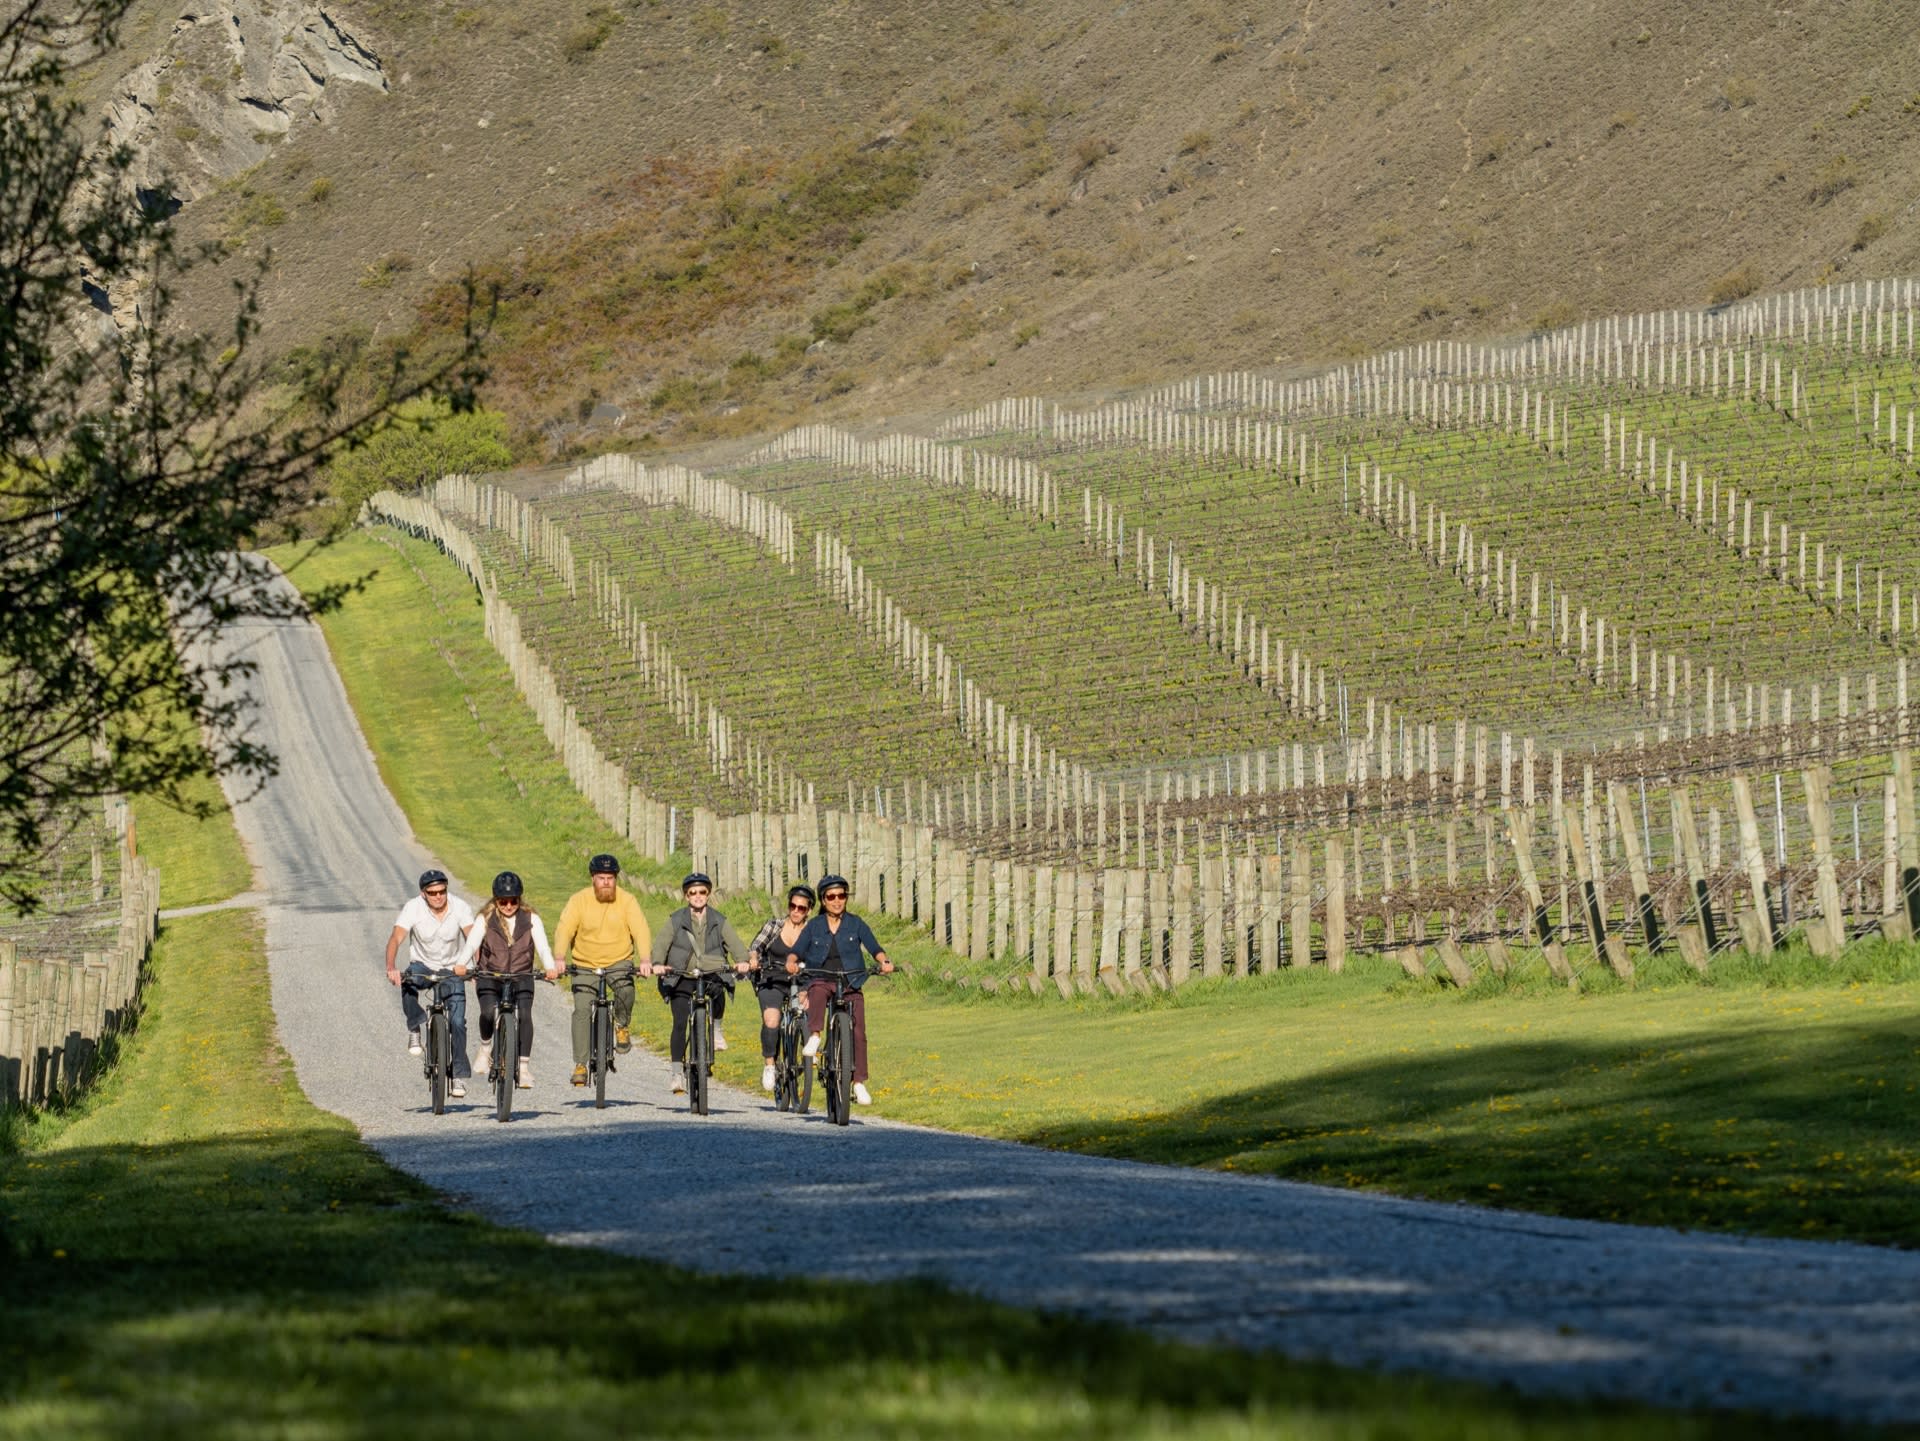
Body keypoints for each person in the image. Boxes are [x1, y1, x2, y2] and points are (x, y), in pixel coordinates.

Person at [786, 873, 893, 1106]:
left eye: (841, 896)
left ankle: (859, 1082)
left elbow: (874, 947)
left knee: (858, 1032)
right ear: (823, 900)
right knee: (817, 991)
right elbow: (797, 950)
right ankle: (815, 1036)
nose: (837, 900)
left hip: (851, 980)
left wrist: (884, 962)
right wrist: (791, 962)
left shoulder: (856, 923)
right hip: (822, 978)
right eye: (831, 896)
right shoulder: (814, 925)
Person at [554, 853, 652, 1089]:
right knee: (581, 1010)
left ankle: (622, 1025)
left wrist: (645, 959)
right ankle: (580, 1064)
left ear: (616, 879)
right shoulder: (579, 900)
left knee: (625, 990)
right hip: (585, 963)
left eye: (610, 878)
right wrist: (559, 958)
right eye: (601, 878)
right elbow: (564, 929)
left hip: (619, 960)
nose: (606, 882)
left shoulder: (627, 901)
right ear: (593, 879)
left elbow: (640, 929)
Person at [647, 871, 751, 1095]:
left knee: (720, 988)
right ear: (686, 896)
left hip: (710, 972)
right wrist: (657, 964)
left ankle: (717, 1028)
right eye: (692, 892)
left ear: (708, 894)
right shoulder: (676, 919)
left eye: (702, 892)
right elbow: (661, 944)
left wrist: (743, 961)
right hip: (682, 975)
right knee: (680, 1022)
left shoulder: (719, 920)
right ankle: (676, 1073)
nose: (697, 896)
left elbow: (735, 944)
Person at [459, 870, 560, 1088]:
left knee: (524, 1015)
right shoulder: (485, 918)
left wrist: (550, 967)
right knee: (488, 1012)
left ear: (519, 899)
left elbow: (543, 946)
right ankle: (485, 1048)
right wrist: (461, 964)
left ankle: (523, 1068)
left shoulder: (531, 919)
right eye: (503, 902)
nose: (508, 906)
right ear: (496, 900)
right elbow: (472, 943)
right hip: (490, 975)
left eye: (513, 901)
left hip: (521, 975)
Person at [385, 868, 478, 1098]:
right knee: (408, 980)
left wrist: (477, 968)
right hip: (423, 966)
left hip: (452, 968)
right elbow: (396, 938)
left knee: (458, 1022)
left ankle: (458, 1076)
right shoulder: (413, 908)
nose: (438, 896)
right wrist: (391, 967)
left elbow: (473, 938)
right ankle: (415, 1026)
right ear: (423, 894)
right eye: (432, 893)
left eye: (442, 891)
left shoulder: (460, 907)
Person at [746, 883, 814, 1092]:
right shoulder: (774, 925)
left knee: (806, 1010)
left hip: (800, 981)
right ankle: (769, 1065)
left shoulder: (813, 932)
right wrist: (754, 958)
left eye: (801, 908)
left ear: (809, 910)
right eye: (792, 906)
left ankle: (807, 1052)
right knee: (772, 1019)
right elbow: (755, 946)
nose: (796, 911)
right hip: (772, 979)